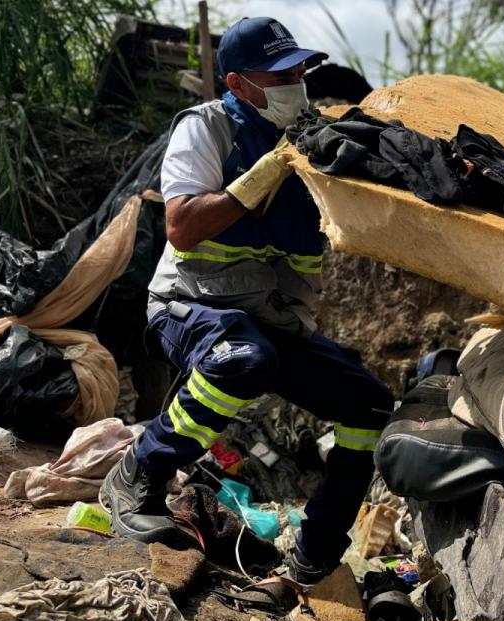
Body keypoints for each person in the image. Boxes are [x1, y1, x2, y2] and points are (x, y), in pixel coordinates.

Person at [100, 16, 394, 585]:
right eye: (279, 73)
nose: (296, 81)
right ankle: (139, 471)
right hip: (188, 306)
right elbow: (182, 228)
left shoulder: (315, 139)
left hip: (273, 319)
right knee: (241, 360)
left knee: (371, 405)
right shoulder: (207, 128)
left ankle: (316, 548)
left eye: (300, 69)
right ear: (238, 84)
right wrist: (256, 179)